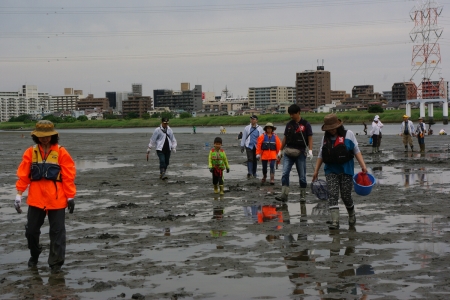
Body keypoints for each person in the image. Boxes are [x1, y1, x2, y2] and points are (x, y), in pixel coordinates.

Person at [15, 120, 76, 273]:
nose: (45, 139)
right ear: (36, 136)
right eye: (41, 136)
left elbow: (68, 176)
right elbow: (24, 175)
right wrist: (19, 194)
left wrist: (70, 197)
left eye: (48, 136)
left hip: (57, 199)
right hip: (36, 199)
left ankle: (55, 265)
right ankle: (34, 254)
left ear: (53, 136)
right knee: (31, 231)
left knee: (57, 233)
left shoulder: (61, 152)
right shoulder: (30, 152)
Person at [312, 114, 368, 229]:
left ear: (338, 125)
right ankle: (335, 222)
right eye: (329, 128)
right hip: (330, 170)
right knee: (332, 194)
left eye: (333, 127)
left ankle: (351, 215)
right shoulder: (325, 138)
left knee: (346, 195)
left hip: (346, 169)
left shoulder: (349, 135)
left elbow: (356, 150)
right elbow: (321, 155)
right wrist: (316, 171)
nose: (332, 130)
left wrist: (363, 165)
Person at [275, 104, 313, 203]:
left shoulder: (305, 124)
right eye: (290, 114)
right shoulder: (289, 124)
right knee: (284, 173)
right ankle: (284, 194)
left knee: (302, 176)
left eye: (293, 114)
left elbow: (310, 138)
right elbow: (285, 138)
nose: (291, 116)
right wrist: (280, 151)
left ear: (298, 112)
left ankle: (303, 196)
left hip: (300, 153)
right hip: (288, 152)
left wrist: (310, 150)